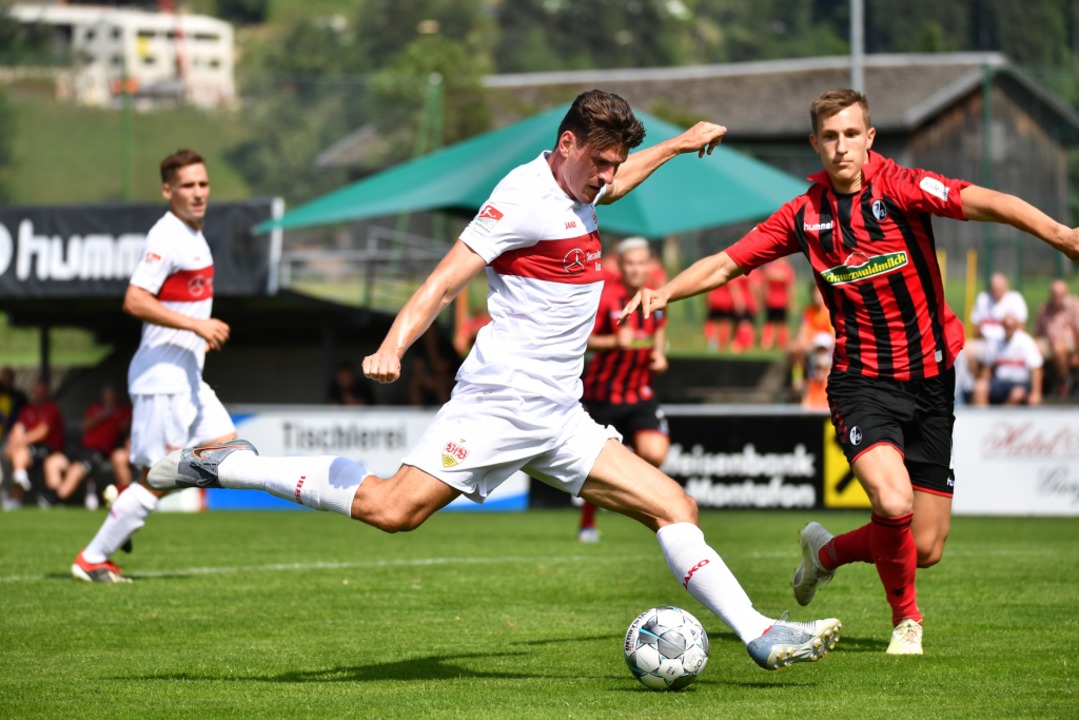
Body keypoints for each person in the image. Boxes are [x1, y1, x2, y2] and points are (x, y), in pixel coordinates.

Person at [149, 91, 841, 671]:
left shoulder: (587, 185)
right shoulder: (521, 196)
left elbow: (621, 180)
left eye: (614, 163)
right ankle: (231, 467)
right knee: (393, 510)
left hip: (560, 417)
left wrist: (678, 143)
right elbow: (445, 281)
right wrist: (392, 344)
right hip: (498, 405)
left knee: (674, 507)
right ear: (565, 143)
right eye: (597, 161)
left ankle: (756, 632)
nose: (606, 176)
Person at [621, 88, 1079, 655]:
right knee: (892, 502)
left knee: (927, 545)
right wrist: (665, 291)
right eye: (830, 137)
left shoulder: (903, 187)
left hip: (934, 379)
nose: (841, 147)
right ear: (817, 144)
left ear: (869, 139)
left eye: (851, 135)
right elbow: (727, 262)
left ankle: (827, 553)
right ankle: (906, 621)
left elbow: (985, 200)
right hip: (862, 382)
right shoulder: (805, 215)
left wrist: (1062, 236)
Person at [71, 149, 237, 583]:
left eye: (203, 184)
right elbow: (134, 299)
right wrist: (196, 325)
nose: (198, 193)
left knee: (226, 447)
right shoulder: (166, 236)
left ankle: (124, 507)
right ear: (168, 191)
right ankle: (93, 557)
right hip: (162, 376)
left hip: (187, 376)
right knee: (158, 477)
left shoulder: (194, 235)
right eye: (187, 185)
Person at [577, 237, 670, 543]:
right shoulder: (606, 298)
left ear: (649, 264)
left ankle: (625, 474)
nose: (636, 269)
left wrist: (659, 355)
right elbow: (583, 339)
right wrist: (612, 342)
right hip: (602, 394)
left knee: (655, 452)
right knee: (594, 466)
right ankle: (588, 522)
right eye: (630, 263)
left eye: (641, 263)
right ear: (621, 265)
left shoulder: (656, 296)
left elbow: (659, 332)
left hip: (639, 393)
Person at [47, 386, 132, 508]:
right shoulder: (95, 409)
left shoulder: (123, 411)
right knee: (53, 461)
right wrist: (103, 414)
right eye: (106, 395)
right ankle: (53, 494)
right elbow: (85, 426)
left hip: (99, 453)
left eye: (111, 395)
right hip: (81, 448)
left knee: (76, 469)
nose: (108, 398)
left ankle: (56, 498)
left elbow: (125, 428)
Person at [3, 379, 64, 510]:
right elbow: (18, 429)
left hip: (48, 448)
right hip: (29, 448)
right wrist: (12, 444)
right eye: (36, 391)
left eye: (41, 391)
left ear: (46, 393)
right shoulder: (27, 410)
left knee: (19, 454)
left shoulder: (51, 409)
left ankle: (18, 493)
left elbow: (42, 432)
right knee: (18, 453)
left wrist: (16, 444)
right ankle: (19, 479)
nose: (38, 394)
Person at [972, 314, 1044, 406]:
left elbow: (1036, 368)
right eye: (1006, 326)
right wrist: (983, 381)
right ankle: (981, 419)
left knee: (1017, 394)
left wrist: (1036, 392)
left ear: (1016, 327)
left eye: (1011, 326)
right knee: (980, 387)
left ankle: (1002, 418)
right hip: (999, 382)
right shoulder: (995, 342)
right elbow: (987, 367)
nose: (1008, 329)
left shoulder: (1026, 342)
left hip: (1020, 382)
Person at [1033, 279, 1079, 396]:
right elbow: (1037, 332)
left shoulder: (1075, 306)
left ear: (1066, 294)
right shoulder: (1045, 308)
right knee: (1032, 349)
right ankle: (1035, 387)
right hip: (1049, 342)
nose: (1057, 298)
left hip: (1070, 343)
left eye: (1060, 295)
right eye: (1055, 295)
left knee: (1058, 348)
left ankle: (1064, 381)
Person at [759, 257, 795, 351]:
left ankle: (766, 342)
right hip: (782, 301)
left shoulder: (769, 268)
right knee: (782, 323)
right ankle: (782, 342)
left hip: (771, 300)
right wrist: (791, 302)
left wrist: (763, 300)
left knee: (769, 321)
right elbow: (789, 288)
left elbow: (765, 287)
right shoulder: (787, 270)